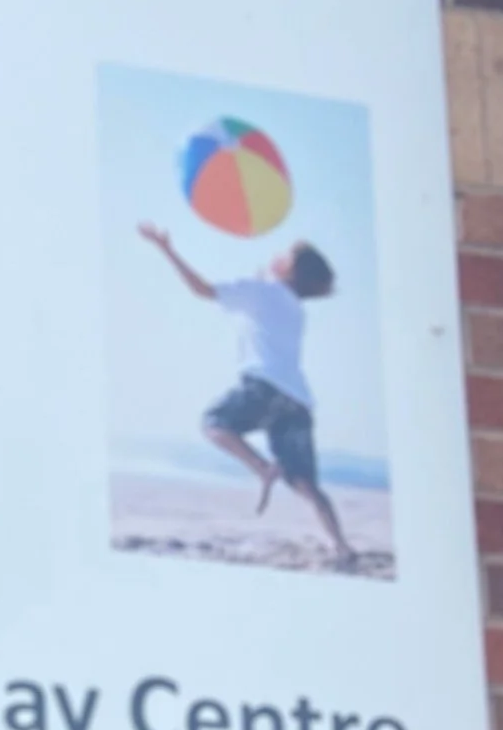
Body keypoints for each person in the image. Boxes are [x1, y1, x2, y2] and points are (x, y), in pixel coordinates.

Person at [138, 225, 356, 567]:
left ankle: (260, 467)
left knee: (214, 423)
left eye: (284, 254)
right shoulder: (295, 308)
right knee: (306, 484)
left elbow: (203, 290)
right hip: (297, 401)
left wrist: (167, 249)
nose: (276, 254)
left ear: (288, 269)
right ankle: (340, 545)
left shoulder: (263, 292)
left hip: (264, 388)